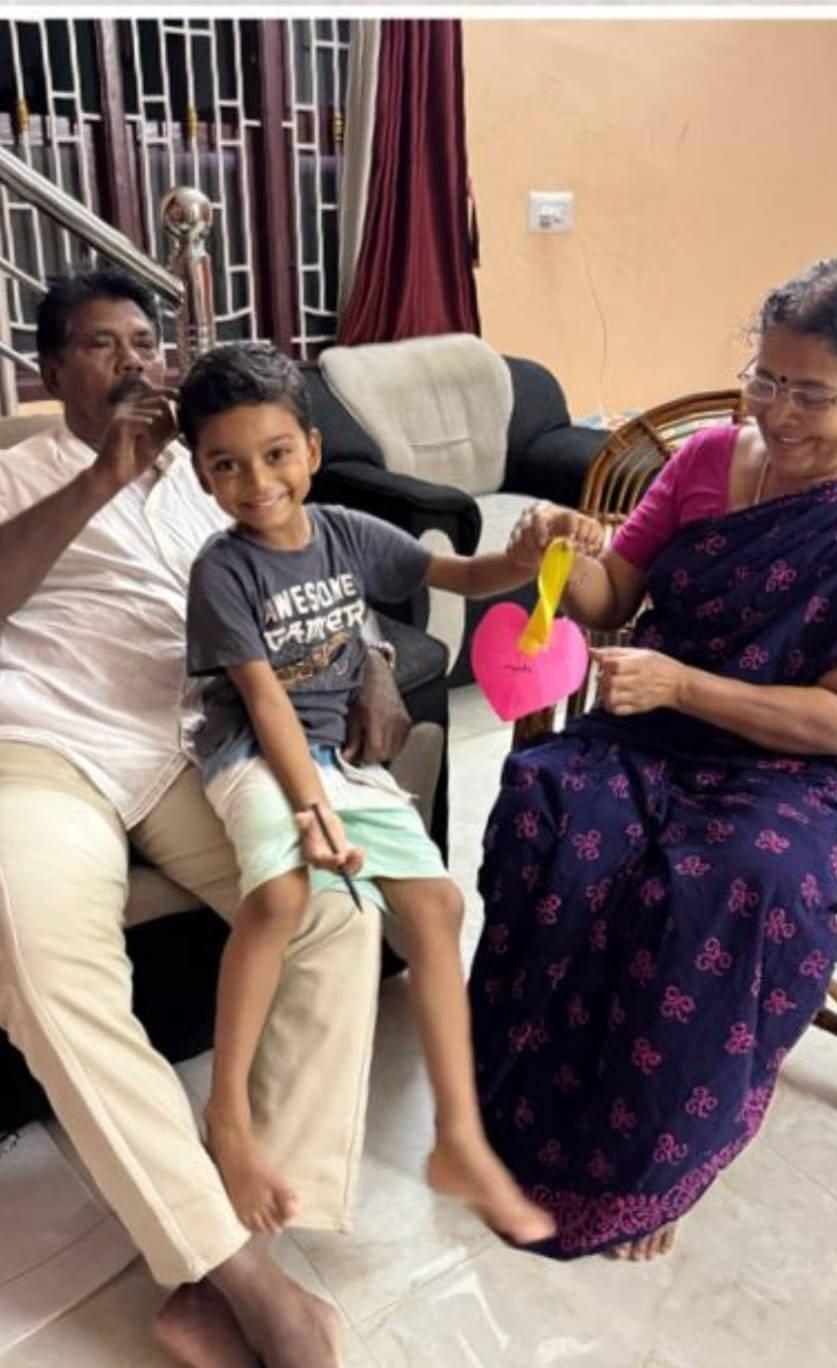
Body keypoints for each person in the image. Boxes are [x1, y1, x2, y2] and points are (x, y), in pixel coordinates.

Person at [467, 257, 837, 1263]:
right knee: (544, 807)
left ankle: (655, 1166)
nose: (777, 411)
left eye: (810, 392)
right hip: (645, 729)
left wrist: (683, 686)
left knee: (738, 880)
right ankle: (522, 1110)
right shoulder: (706, 458)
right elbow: (609, 597)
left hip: (788, 766)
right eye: (764, 378)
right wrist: (562, 551)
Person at [0, 268, 420, 1368]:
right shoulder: (16, 471)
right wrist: (104, 473)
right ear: (51, 369)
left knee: (337, 910)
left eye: (145, 341)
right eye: (102, 344)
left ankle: (242, 1209)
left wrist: (374, 656)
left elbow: (306, 569)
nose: (133, 361)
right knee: (41, 965)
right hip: (43, 748)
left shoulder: (204, 471)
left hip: (193, 739)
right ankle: (237, 1277)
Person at [177, 341, 569, 1247]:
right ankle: (228, 1114)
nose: (257, 482)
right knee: (282, 896)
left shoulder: (347, 534)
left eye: (276, 454)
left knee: (437, 905)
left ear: (311, 449)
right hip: (252, 755)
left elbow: (463, 577)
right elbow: (263, 699)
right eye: (226, 465)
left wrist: (527, 553)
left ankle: (458, 1137)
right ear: (201, 475)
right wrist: (311, 809)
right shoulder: (222, 571)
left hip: (340, 761)